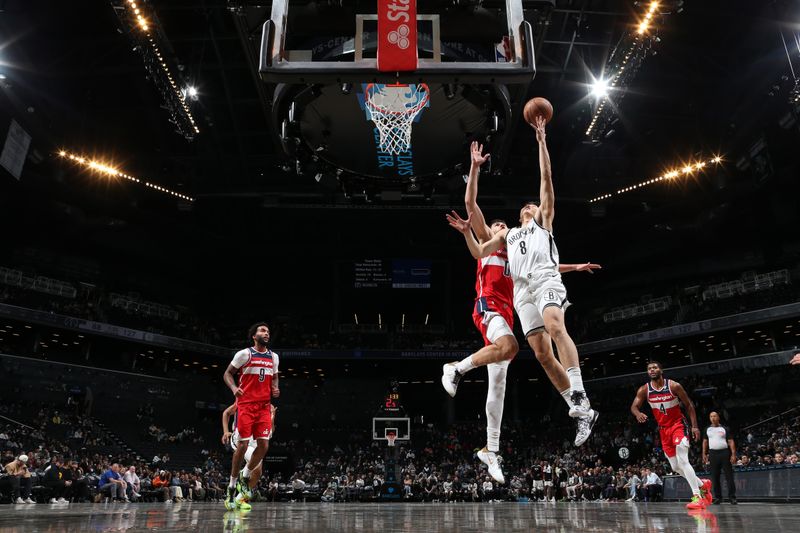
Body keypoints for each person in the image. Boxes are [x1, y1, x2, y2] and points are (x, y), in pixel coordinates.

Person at [445, 116, 600, 447]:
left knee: (556, 327)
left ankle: (579, 395)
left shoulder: (542, 222)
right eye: (526, 206)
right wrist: (467, 231)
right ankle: (583, 411)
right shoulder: (509, 237)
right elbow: (476, 246)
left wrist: (541, 142)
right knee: (542, 354)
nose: (530, 205)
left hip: (544, 280)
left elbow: (546, 178)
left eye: (533, 203)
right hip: (521, 293)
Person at [631, 361, 711, 509]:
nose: (652, 370)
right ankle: (702, 484)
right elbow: (634, 406)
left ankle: (697, 496)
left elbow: (689, 405)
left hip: (678, 425)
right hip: (663, 429)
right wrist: (637, 414)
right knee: (675, 466)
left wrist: (694, 427)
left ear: (661, 370)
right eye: (649, 369)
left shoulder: (674, 386)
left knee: (683, 460)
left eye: (655, 367)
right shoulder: (644, 390)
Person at [222, 322, 280, 510]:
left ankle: (244, 476)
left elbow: (275, 375)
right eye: (263, 330)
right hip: (246, 404)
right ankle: (232, 486)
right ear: (254, 336)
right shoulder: (244, 354)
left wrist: (275, 387)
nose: (266, 333)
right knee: (243, 445)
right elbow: (227, 374)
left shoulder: (274, 357)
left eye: (268, 331)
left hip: (264, 406)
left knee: (264, 444)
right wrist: (233, 388)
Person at [221, 401, 278, 494]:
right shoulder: (245, 400)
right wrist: (225, 431)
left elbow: (271, 430)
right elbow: (226, 413)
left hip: (256, 442)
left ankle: (240, 498)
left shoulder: (269, 406)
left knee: (258, 473)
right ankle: (236, 481)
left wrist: (272, 416)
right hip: (241, 439)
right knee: (257, 467)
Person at [702, 411, 737, 505]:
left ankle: (732, 497)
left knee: (729, 476)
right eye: (711, 416)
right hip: (713, 454)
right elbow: (705, 442)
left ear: (718, 417)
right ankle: (718, 497)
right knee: (715, 477)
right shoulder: (707, 429)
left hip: (724, 453)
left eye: (714, 416)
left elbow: (731, 441)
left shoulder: (724, 428)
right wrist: (704, 454)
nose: (713, 418)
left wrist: (733, 454)